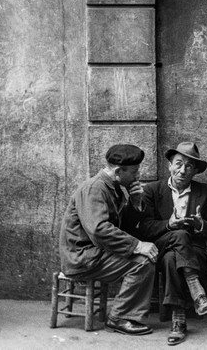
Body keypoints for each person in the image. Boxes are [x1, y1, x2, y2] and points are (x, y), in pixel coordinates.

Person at [59, 144, 158, 336]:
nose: (137, 176)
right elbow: (99, 230)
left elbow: (121, 229)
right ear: (119, 171)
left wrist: (135, 203)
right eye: (134, 172)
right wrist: (137, 245)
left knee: (146, 257)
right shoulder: (95, 188)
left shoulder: (114, 187)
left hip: (95, 252)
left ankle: (126, 312)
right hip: (82, 257)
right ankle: (119, 317)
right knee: (143, 262)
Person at [136, 142, 207, 346]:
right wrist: (168, 224)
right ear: (169, 165)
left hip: (194, 251)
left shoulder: (205, 192)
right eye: (178, 164)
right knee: (178, 235)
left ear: (194, 171)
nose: (182, 170)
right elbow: (144, 228)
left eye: (189, 166)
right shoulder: (152, 190)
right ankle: (196, 291)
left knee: (170, 259)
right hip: (161, 244)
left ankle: (178, 319)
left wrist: (201, 225)